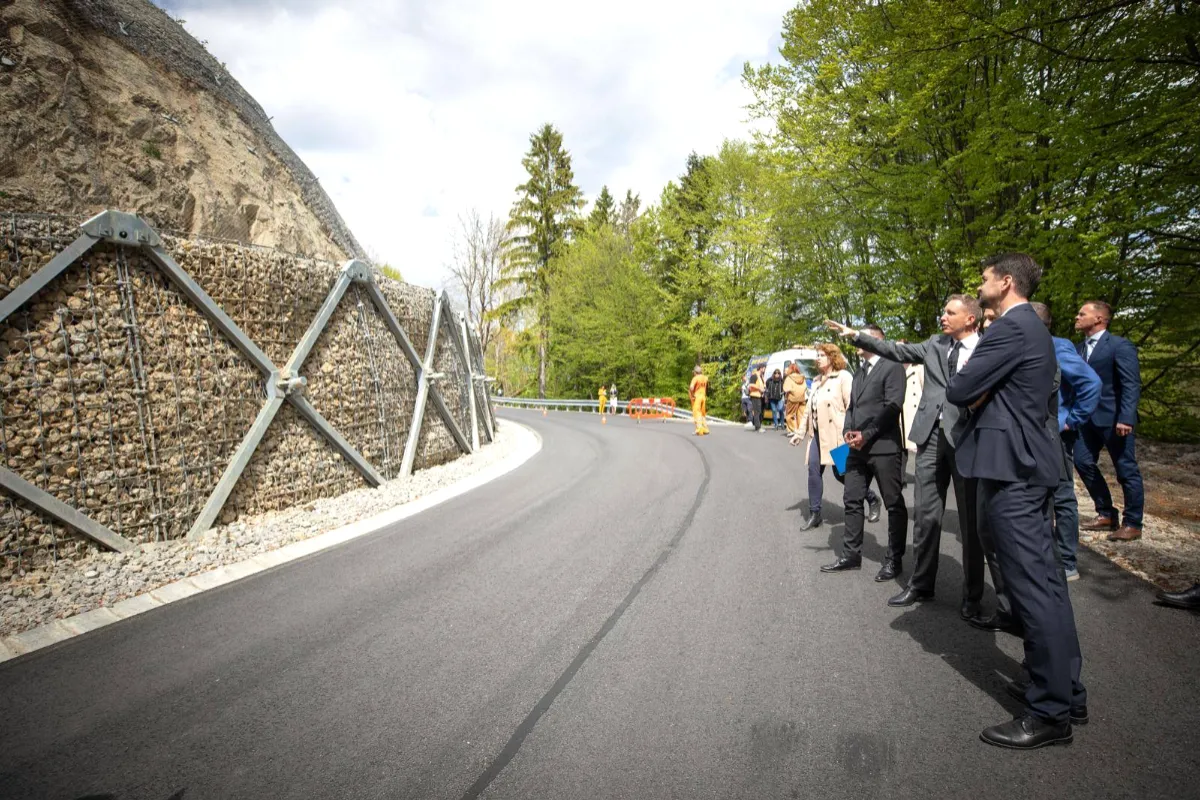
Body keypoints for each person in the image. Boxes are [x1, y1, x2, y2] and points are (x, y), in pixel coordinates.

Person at [946, 252, 1086, 750]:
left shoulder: (1009, 328)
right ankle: (1067, 689)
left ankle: (1049, 713)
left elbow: (962, 387)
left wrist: (979, 391)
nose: (979, 284)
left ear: (1005, 283)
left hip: (1014, 472)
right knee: (1047, 583)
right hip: (1032, 466)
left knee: (1031, 588)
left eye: (984, 278)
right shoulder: (1035, 329)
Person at [825, 296, 1008, 621]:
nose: (942, 316)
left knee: (969, 524)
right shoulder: (935, 345)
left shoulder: (988, 347)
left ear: (970, 319)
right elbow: (896, 351)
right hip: (929, 437)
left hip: (966, 437)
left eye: (950, 312)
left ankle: (972, 596)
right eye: (943, 310)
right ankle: (921, 584)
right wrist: (855, 334)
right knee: (925, 516)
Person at [820, 326, 908, 581]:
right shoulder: (859, 372)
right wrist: (848, 431)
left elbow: (893, 406)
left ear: (876, 340)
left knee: (893, 502)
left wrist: (867, 434)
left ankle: (894, 559)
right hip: (856, 448)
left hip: (883, 447)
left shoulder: (892, 366)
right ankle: (851, 555)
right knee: (852, 498)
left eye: (862, 336)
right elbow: (852, 407)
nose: (856, 341)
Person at [1031, 302, 1101, 581]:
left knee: (1061, 495)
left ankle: (1067, 562)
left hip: (1056, 435)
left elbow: (1091, 384)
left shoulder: (1057, 346)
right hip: (1034, 433)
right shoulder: (1027, 346)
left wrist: (1070, 420)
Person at [1073, 300, 1145, 542]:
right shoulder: (1078, 348)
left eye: (1082, 314)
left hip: (1115, 420)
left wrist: (1126, 417)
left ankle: (1133, 523)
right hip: (1086, 420)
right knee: (1082, 462)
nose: (1077, 317)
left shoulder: (1119, 346)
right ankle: (1106, 513)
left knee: (1126, 470)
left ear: (1099, 319)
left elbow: (1130, 383)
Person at [792, 343, 880, 530]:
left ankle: (871, 498)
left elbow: (853, 406)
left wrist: (855, 431)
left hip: (838, 435)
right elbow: (808, 410)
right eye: (817, 354)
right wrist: (799, 434)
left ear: (832, 357)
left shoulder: (843, 377)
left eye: (821, 355)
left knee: (842, 474)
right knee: (813, 469)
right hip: (817, 434)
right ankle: (815, 513)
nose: (818, 358)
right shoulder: (815, 381)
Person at [782, 364, 808, 437]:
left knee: (790, 415)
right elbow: (805, 387)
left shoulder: (789, 378)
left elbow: (786, 388)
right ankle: (801, 429)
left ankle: (792, 430)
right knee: (801, 415)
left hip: (792, 398)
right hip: (802, 398)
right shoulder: (802, 377)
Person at [688, 366, 710, 436]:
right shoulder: (705, 378)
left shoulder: (695, 378)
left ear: (695, 372)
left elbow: (691, 387)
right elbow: (707, 387)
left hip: (697, 397)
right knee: (702, 413)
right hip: (703, 396)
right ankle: (705, 429)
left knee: (697, 413)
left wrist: (692, 395)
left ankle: (699, 429)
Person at [748, 367, 766, 432]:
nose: (764, 369)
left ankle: (758, 425)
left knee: (760, 411)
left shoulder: (761, 376)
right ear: (760, 368)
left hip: (761, 395)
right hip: (755, 395)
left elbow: (763, 385)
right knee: (757, 411)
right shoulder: (754, 376)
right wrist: (759, 388)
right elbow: (751, 385)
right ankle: (758, 427)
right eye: (764, 368)